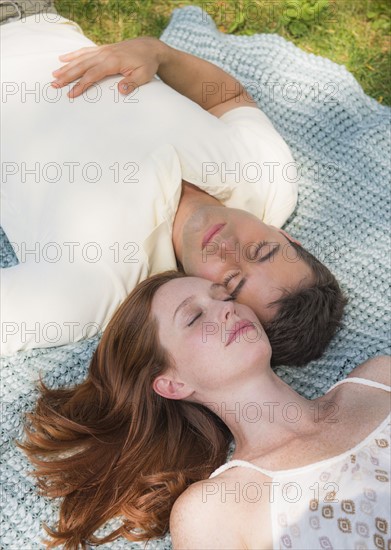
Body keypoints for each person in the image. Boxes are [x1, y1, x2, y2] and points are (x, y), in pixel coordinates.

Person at [0, 10, 345, 364]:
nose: (228, 247)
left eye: (230, 281)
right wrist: (160, 55)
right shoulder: (270, 179)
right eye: (261, 250)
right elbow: (228, 99)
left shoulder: (98, 284)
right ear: (288, 238)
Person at [20, 270, 390, 549]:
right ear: (172, 384)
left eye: (226, 297)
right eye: (195, 317)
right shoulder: (213, 511)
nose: (227, 311)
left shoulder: (378, 379)